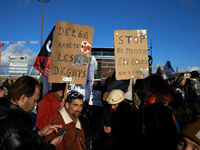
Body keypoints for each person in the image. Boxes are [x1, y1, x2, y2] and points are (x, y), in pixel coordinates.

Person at [0, 76, 63, 150]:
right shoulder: (13, 129)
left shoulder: (10, 115)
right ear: (23, 97)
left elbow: (24, 138)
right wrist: (52, 145)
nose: (36, 104)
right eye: (34, 100)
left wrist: (39, 134)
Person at [141, 74, 179, 150]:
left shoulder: (160, 109)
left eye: (145, 88)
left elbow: (167, 138)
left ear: (152, 89)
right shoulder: (152, 105)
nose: (143, 91)